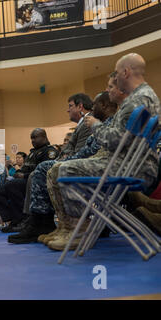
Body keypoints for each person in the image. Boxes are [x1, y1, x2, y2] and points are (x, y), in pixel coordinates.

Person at [48, 53, 160, 251]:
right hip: (134, 163)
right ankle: (71, 227)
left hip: (131, 166)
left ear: (125, 72)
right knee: (60, 168)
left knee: (64, 170)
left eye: (117, 75)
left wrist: (96, 126)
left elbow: (114, 141)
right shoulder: (142, 96)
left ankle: (79, 229)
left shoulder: (138, 100)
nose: (113, 83)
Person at [10, 90, 120, 245]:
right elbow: (84, 149)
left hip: (102, 165)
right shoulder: (102, 123)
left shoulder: (102, 124)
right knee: (46, 169)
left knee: (49, 169)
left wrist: (68, 160)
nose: (92, 109)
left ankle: (68, 225)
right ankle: (60, 225)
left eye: (95, 105)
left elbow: (90, 150)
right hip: (93, 161)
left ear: (104, 105)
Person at [0, 129, 58, 233]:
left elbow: (46, 170)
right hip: (23, 180)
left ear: (44, 137)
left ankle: (24, 219)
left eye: (35, 137)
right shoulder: (32, 153)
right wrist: (19, 173)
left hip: (37, 182)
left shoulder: (49, 151)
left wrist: (23, 175)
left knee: (12, 185)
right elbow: (25, 168)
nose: (33, 140)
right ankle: (14, 219)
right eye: (31, 138)